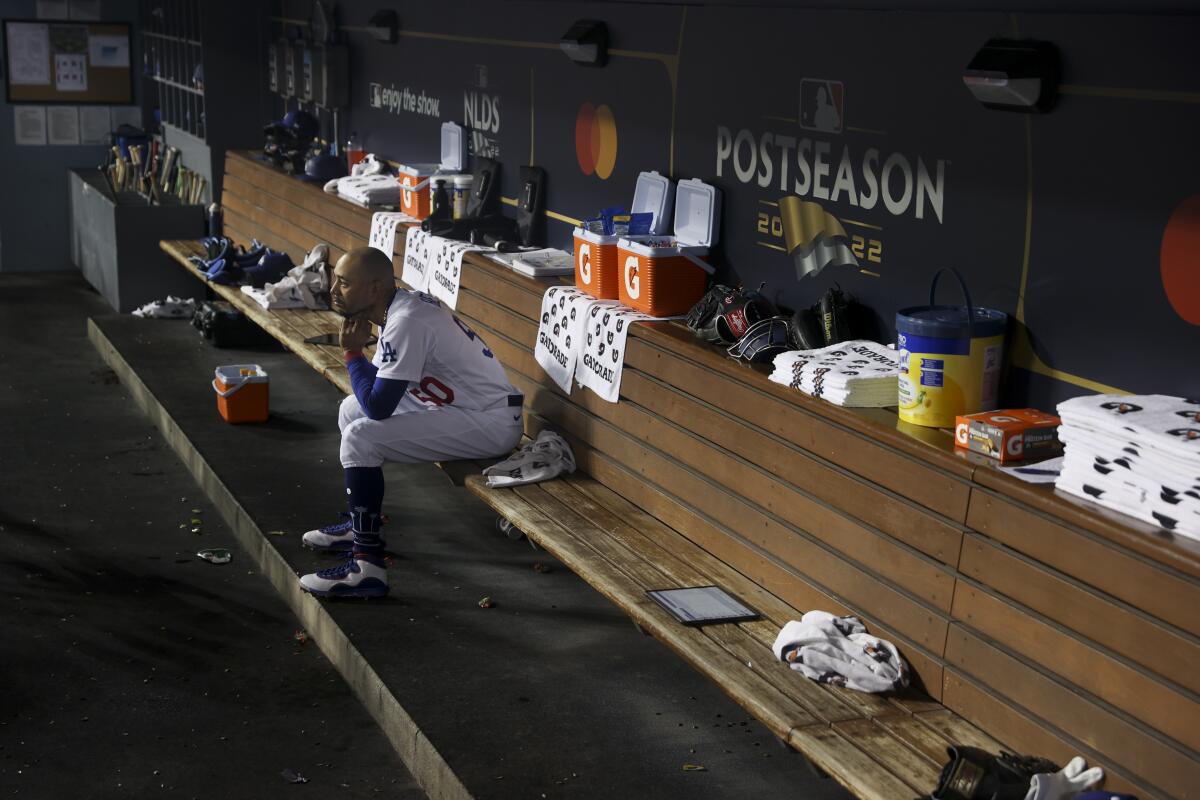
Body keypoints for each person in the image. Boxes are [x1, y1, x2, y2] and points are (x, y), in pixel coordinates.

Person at [298, 246, 523, 598]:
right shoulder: (400, 308)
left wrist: (352, 353)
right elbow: (379, 391)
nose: (333, 291)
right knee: (349, 410)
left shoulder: (405, 321)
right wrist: (358, 361)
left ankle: (367, 568)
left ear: (374, 289)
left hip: (488, 421)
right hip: (460, 407)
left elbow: (379, 406)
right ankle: (360, 527)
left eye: (343, 283)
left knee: (361, 435)